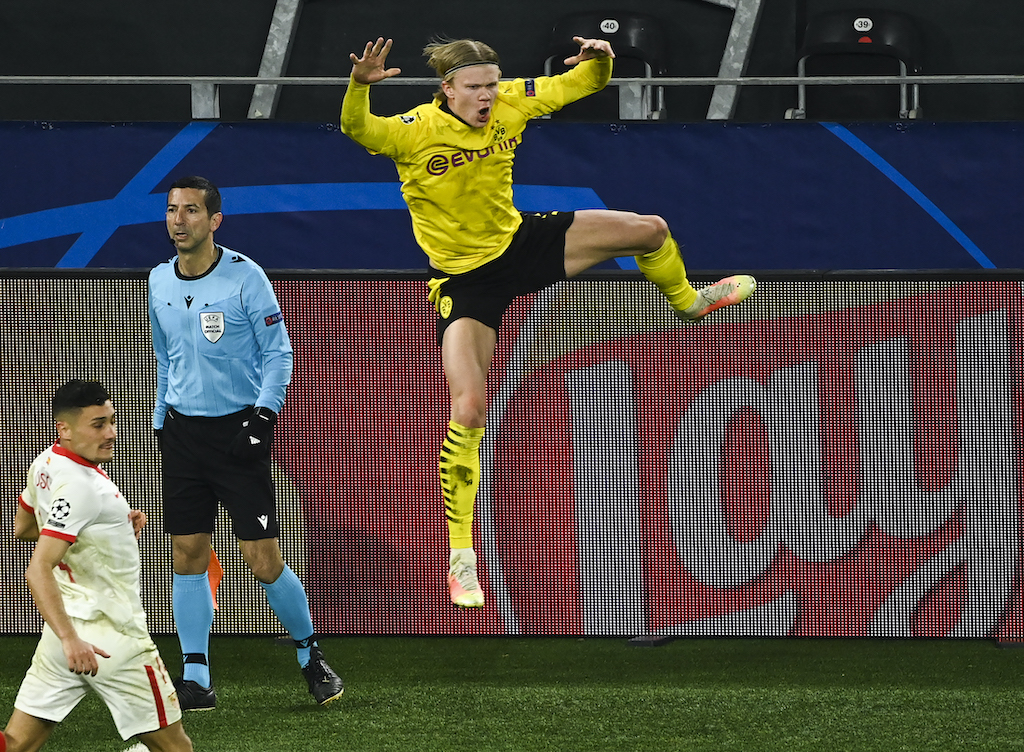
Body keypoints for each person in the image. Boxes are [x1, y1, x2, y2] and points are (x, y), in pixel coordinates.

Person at [340, 36, 757, 608]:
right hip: (466, 282)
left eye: (491, 85)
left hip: (522, 242)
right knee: (468, 406)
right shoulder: (413, 130)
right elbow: (360, 131)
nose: (486, 96)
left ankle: (687, 301)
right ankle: (461, 560)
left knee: (650, 229)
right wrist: (360, 86)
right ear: (447, 89)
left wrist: (601, 59)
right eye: (474, 88)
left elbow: (586, 83)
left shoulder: (513, 101)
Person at [148, 175, 343, 708]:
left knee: (262, 558)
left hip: (240, 432)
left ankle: (310, 656)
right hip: (184, 435)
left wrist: (263, 419)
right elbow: (166, 359)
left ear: (214, 221)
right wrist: (163, 420)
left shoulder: (245, 277)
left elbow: (279, 354)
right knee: (186, 553)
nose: (178, 220)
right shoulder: (157, 282)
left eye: (191, 211)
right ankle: (196, 678)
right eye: (172, 210)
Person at [4, 379, 193, 752]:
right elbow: (37, 568)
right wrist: (74, 641)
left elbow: (23, 528)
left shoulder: (46, 462)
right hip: (113, 640)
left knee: (15, 744)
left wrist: (113, 531)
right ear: (65, 428)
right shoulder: (83, 486)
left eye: (111, 420)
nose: (111, 433)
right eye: (98, 424)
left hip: (59, 640)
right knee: (177, 749)